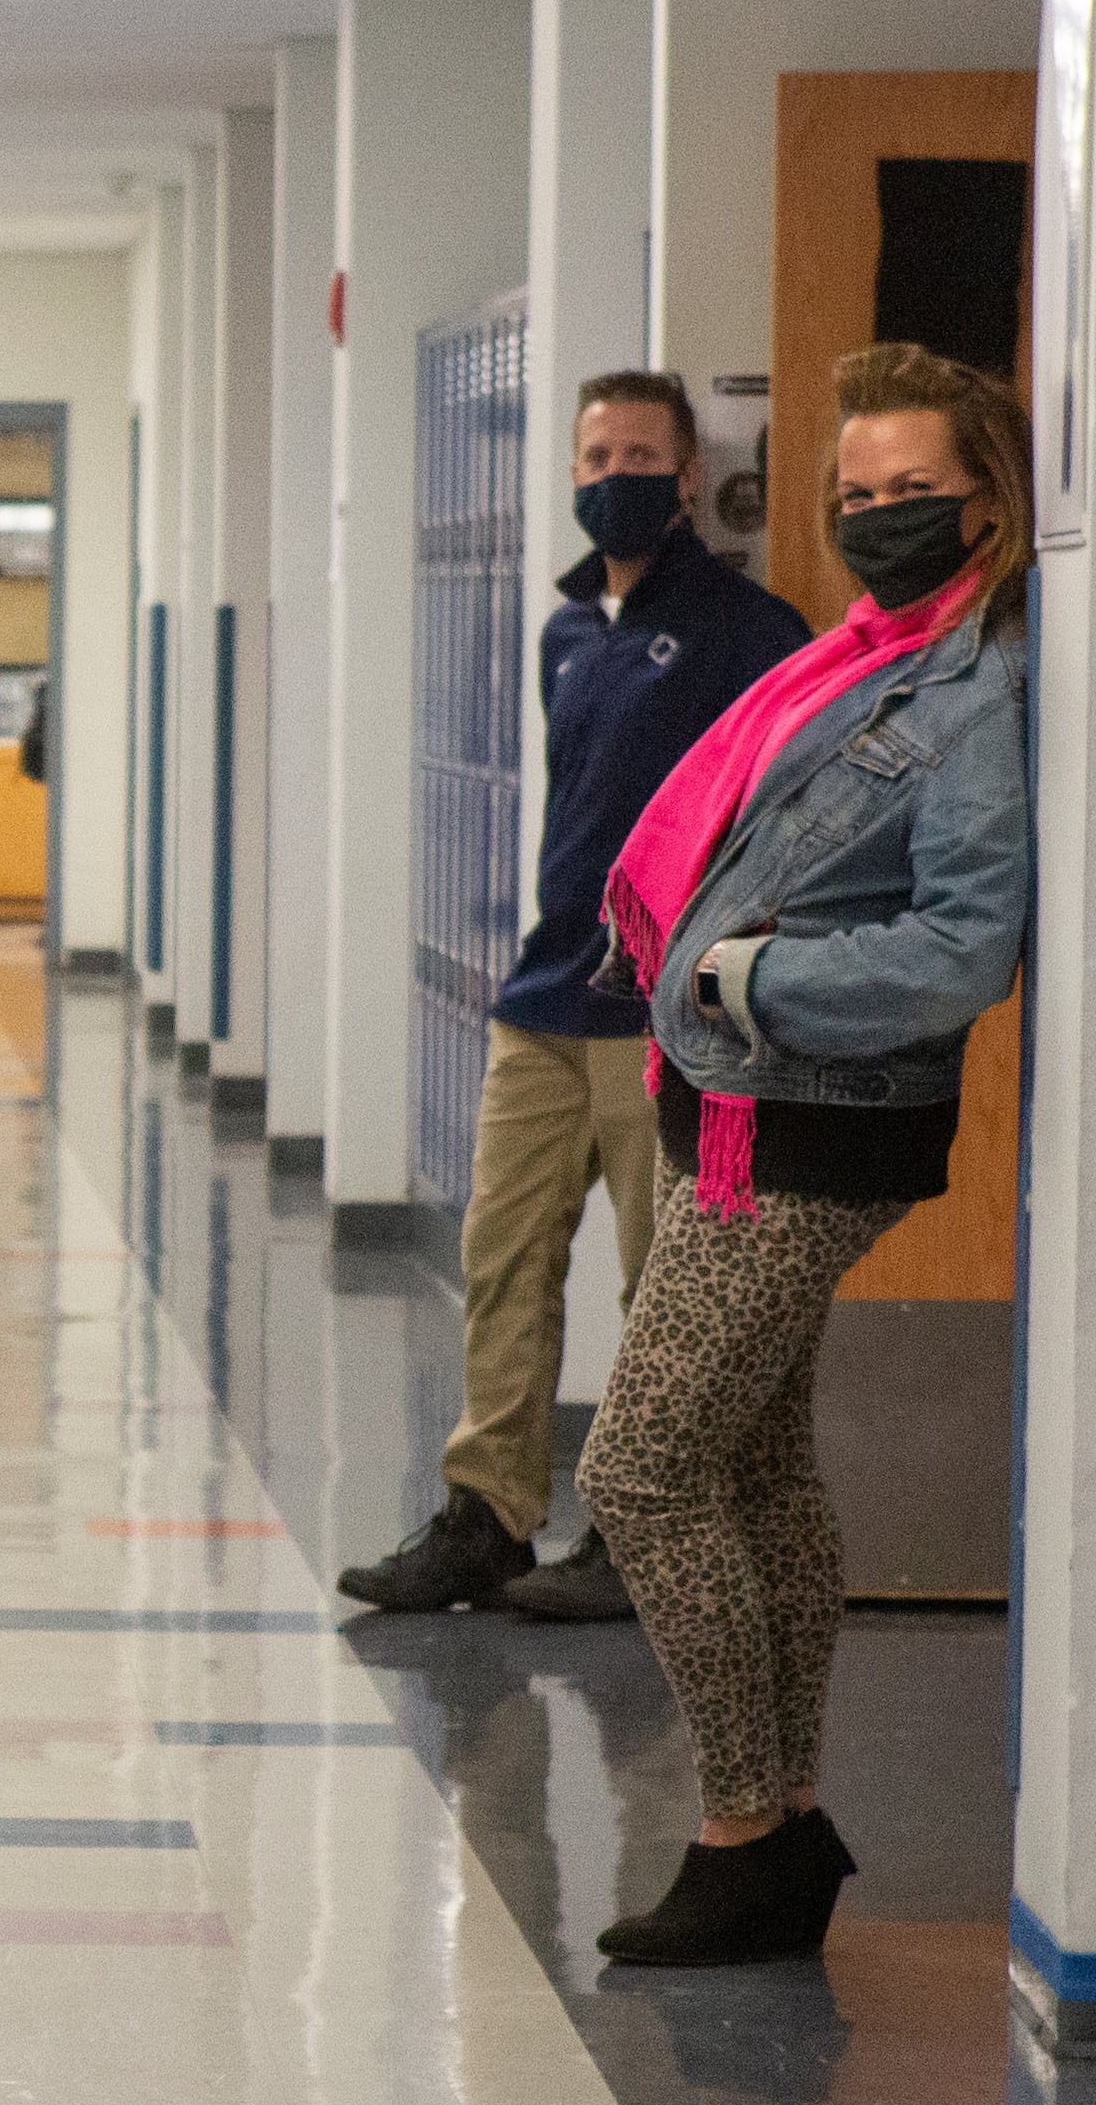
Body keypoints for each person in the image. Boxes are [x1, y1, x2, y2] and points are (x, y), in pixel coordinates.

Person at [574, 343, 1038, 1967]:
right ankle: (781, 1816)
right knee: (755, 1464)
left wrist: (749, 975)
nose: (880, 519)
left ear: (989, 496)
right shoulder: (854, 660)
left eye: (915, 492)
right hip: (727, 1093)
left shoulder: (973, 681)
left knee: (637, 1463)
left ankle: (741, 1822)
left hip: (813, 1112)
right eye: (857, 495)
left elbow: (964, 942)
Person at [343, 372, 810, 1623]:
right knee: (502, 1259)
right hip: (542, 998)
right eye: (596, 452)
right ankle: (485, 1515)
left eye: (642, 452)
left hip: (663, 1018)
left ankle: (637, 1525)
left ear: (688, 478)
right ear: (567, 471)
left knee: (657, 1281)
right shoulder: (563, 629)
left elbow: (783, 819)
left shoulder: (746, 629)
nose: (616, 472)